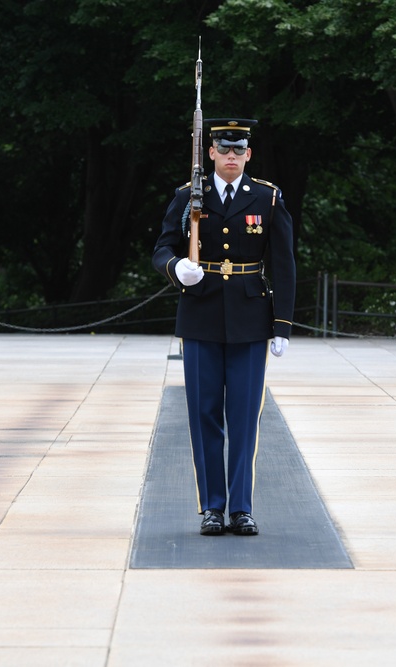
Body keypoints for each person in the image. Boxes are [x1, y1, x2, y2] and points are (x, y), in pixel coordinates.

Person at [152, 118, 296, 536]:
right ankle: (213, 506)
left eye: (239, 151)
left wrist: (282, 324)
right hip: (200, 315)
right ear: (210, 153)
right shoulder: (188, 197)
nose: (231, 157)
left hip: (251, 320)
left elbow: (283, 265)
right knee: (204, 415)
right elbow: (162, 248)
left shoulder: (267, 198)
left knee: (244, 417)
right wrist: (177, 267)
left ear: (248, 155)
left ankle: (242, 508)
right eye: (223, 149)